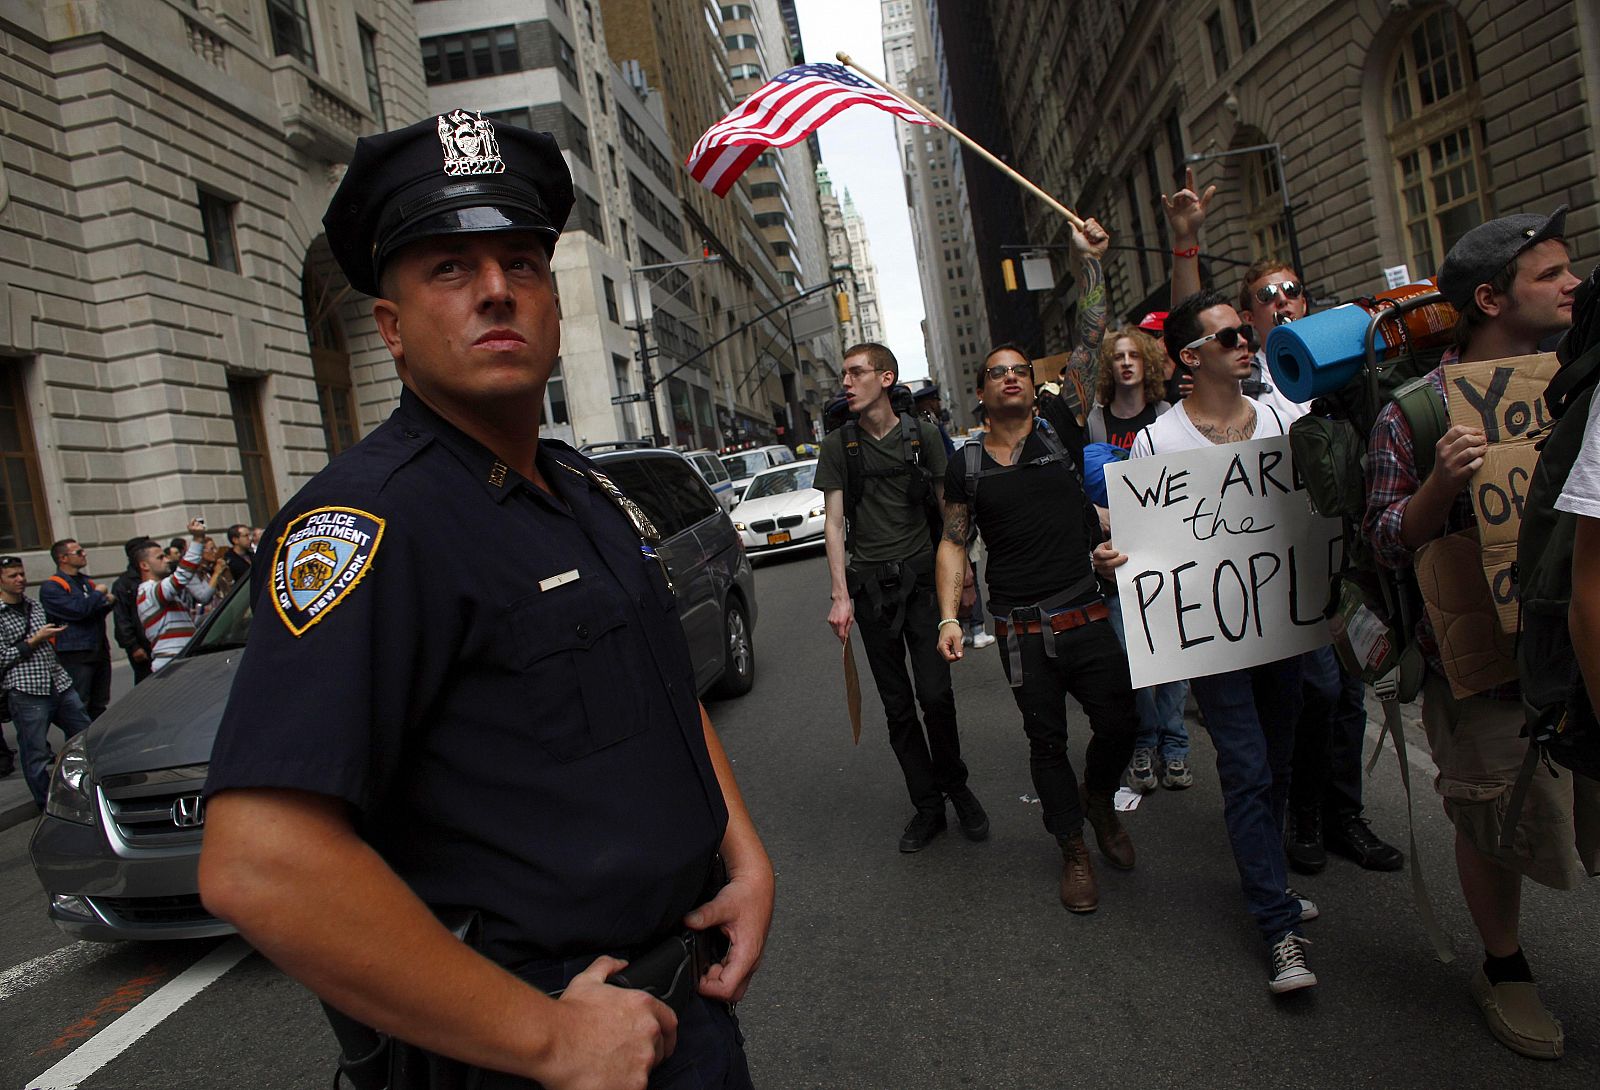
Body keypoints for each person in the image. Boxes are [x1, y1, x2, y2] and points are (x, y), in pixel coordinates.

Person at [197, 111, 773, 1089]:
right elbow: (259, 861)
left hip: (680, 1006)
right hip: (530, 1044)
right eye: (450, 269)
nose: (497, 289)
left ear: (552, 303)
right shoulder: (366, 521)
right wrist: (547, 1041)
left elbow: (663, 695)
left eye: (520, 262)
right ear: (390, 328)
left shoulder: (582, 492)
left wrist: (743, 856)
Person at [1365, 207, 1598, 1059]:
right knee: (1492, 817)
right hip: (1485, 667)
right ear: (1493, 299)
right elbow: (1386, 536)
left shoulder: (1585, 383)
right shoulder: (1418, 414)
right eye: (1550, 275)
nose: (1573, 284)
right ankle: (1505, 969)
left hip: (1584, 647)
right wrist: (1437, 487)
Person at [1163, 169, 1402, 873]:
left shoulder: (1338, 369)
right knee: (1313, 693)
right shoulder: (1247, 378)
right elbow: (1191, 329)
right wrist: (1187, 247)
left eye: (1293, 291)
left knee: (1347, 694)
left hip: (1344, 563)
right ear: (1246, 322)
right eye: (1265, 298)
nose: (1282, 302)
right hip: (1272, 579)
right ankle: (1302, 811)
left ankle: (1343, 815)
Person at [1095, 289, 1319, 993]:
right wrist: (1115, 555)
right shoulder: (1162, 440)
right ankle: (1278, 926)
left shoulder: (1283, 414)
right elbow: (1149, 542)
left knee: (1277, 764)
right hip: (1216, 639)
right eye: (1228, 338)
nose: (1245, 342)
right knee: (1248, 767)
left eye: (1242, 333)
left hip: (1285, 624)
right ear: (1193, 358)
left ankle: (1269, 878)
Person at [936, 344, 1138, 913]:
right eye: (996, 372)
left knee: (1122, 721)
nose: (1009, 378)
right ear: (981, 392)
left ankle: (1098, 799)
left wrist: (1089, 260)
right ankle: (1073, 848)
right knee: (1046, 743)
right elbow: (954, 543)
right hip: (1021, 634)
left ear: (1032, 383)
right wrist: (951, 616)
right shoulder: (966, 465)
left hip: (1087, 614)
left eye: (1019, 370)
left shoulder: (1060, 431)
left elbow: (1091, 343)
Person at [818, 342, 988, 852]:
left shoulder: (925, 437)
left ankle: (956, 786)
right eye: (843, 374)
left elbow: (948, 511)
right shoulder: (838, 446)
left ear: (886, 377)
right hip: (870, 590)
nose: (846, 382)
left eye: (856, 372)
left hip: (922, 583)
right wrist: (840, 596)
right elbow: (832, 522)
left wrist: (963, 578)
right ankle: (927, 806)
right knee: (897, 708)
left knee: (935, 695)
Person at [1084, 328, 1191, 793]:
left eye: (1134, 355)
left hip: (1168, 555)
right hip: (1117, 563)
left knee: (1174, 657)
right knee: (1134, 661)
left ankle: (1176, 745)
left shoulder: (1167, 416)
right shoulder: (1094, 423)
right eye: (1118, 357)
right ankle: (1146, 740)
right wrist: (1096, 512)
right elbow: (1075, 488)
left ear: (1148, 363)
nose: (1126, 363)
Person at [0, 555, 90, 809]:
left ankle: (87, 792)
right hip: (26, 689)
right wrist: (35, 640)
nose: (20, 580)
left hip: (57, 682)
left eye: (21, 574)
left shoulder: (32, 604)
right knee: (36, 752)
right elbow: (2, 656)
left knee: (85, 736)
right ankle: (48, 805)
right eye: (12, 576)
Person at [40, 538, 114, 719]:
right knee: (79, 704)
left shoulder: (86, 582)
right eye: (79, 552)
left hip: (98, 649)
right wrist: (98, 594)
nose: (84, 554)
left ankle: (97, 741)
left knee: (99, 702)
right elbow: (79, 610)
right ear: (63, 558)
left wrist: (103, 601)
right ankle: (78, 743)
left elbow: (96, 608)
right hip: (76, 653)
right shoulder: (53, 586)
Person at [135, 521, 217, 671]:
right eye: (160, 558)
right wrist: (198, 539)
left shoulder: (155, 591)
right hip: (172, 663)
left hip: (179, 660)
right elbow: (181, 576)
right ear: (144, 566)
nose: (167, 560)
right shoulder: (149, 591)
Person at [111, 536, 157, 683]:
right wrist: (133, 646)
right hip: (142, 644)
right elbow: (122, 618)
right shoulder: (123, 584)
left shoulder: (157, 578)